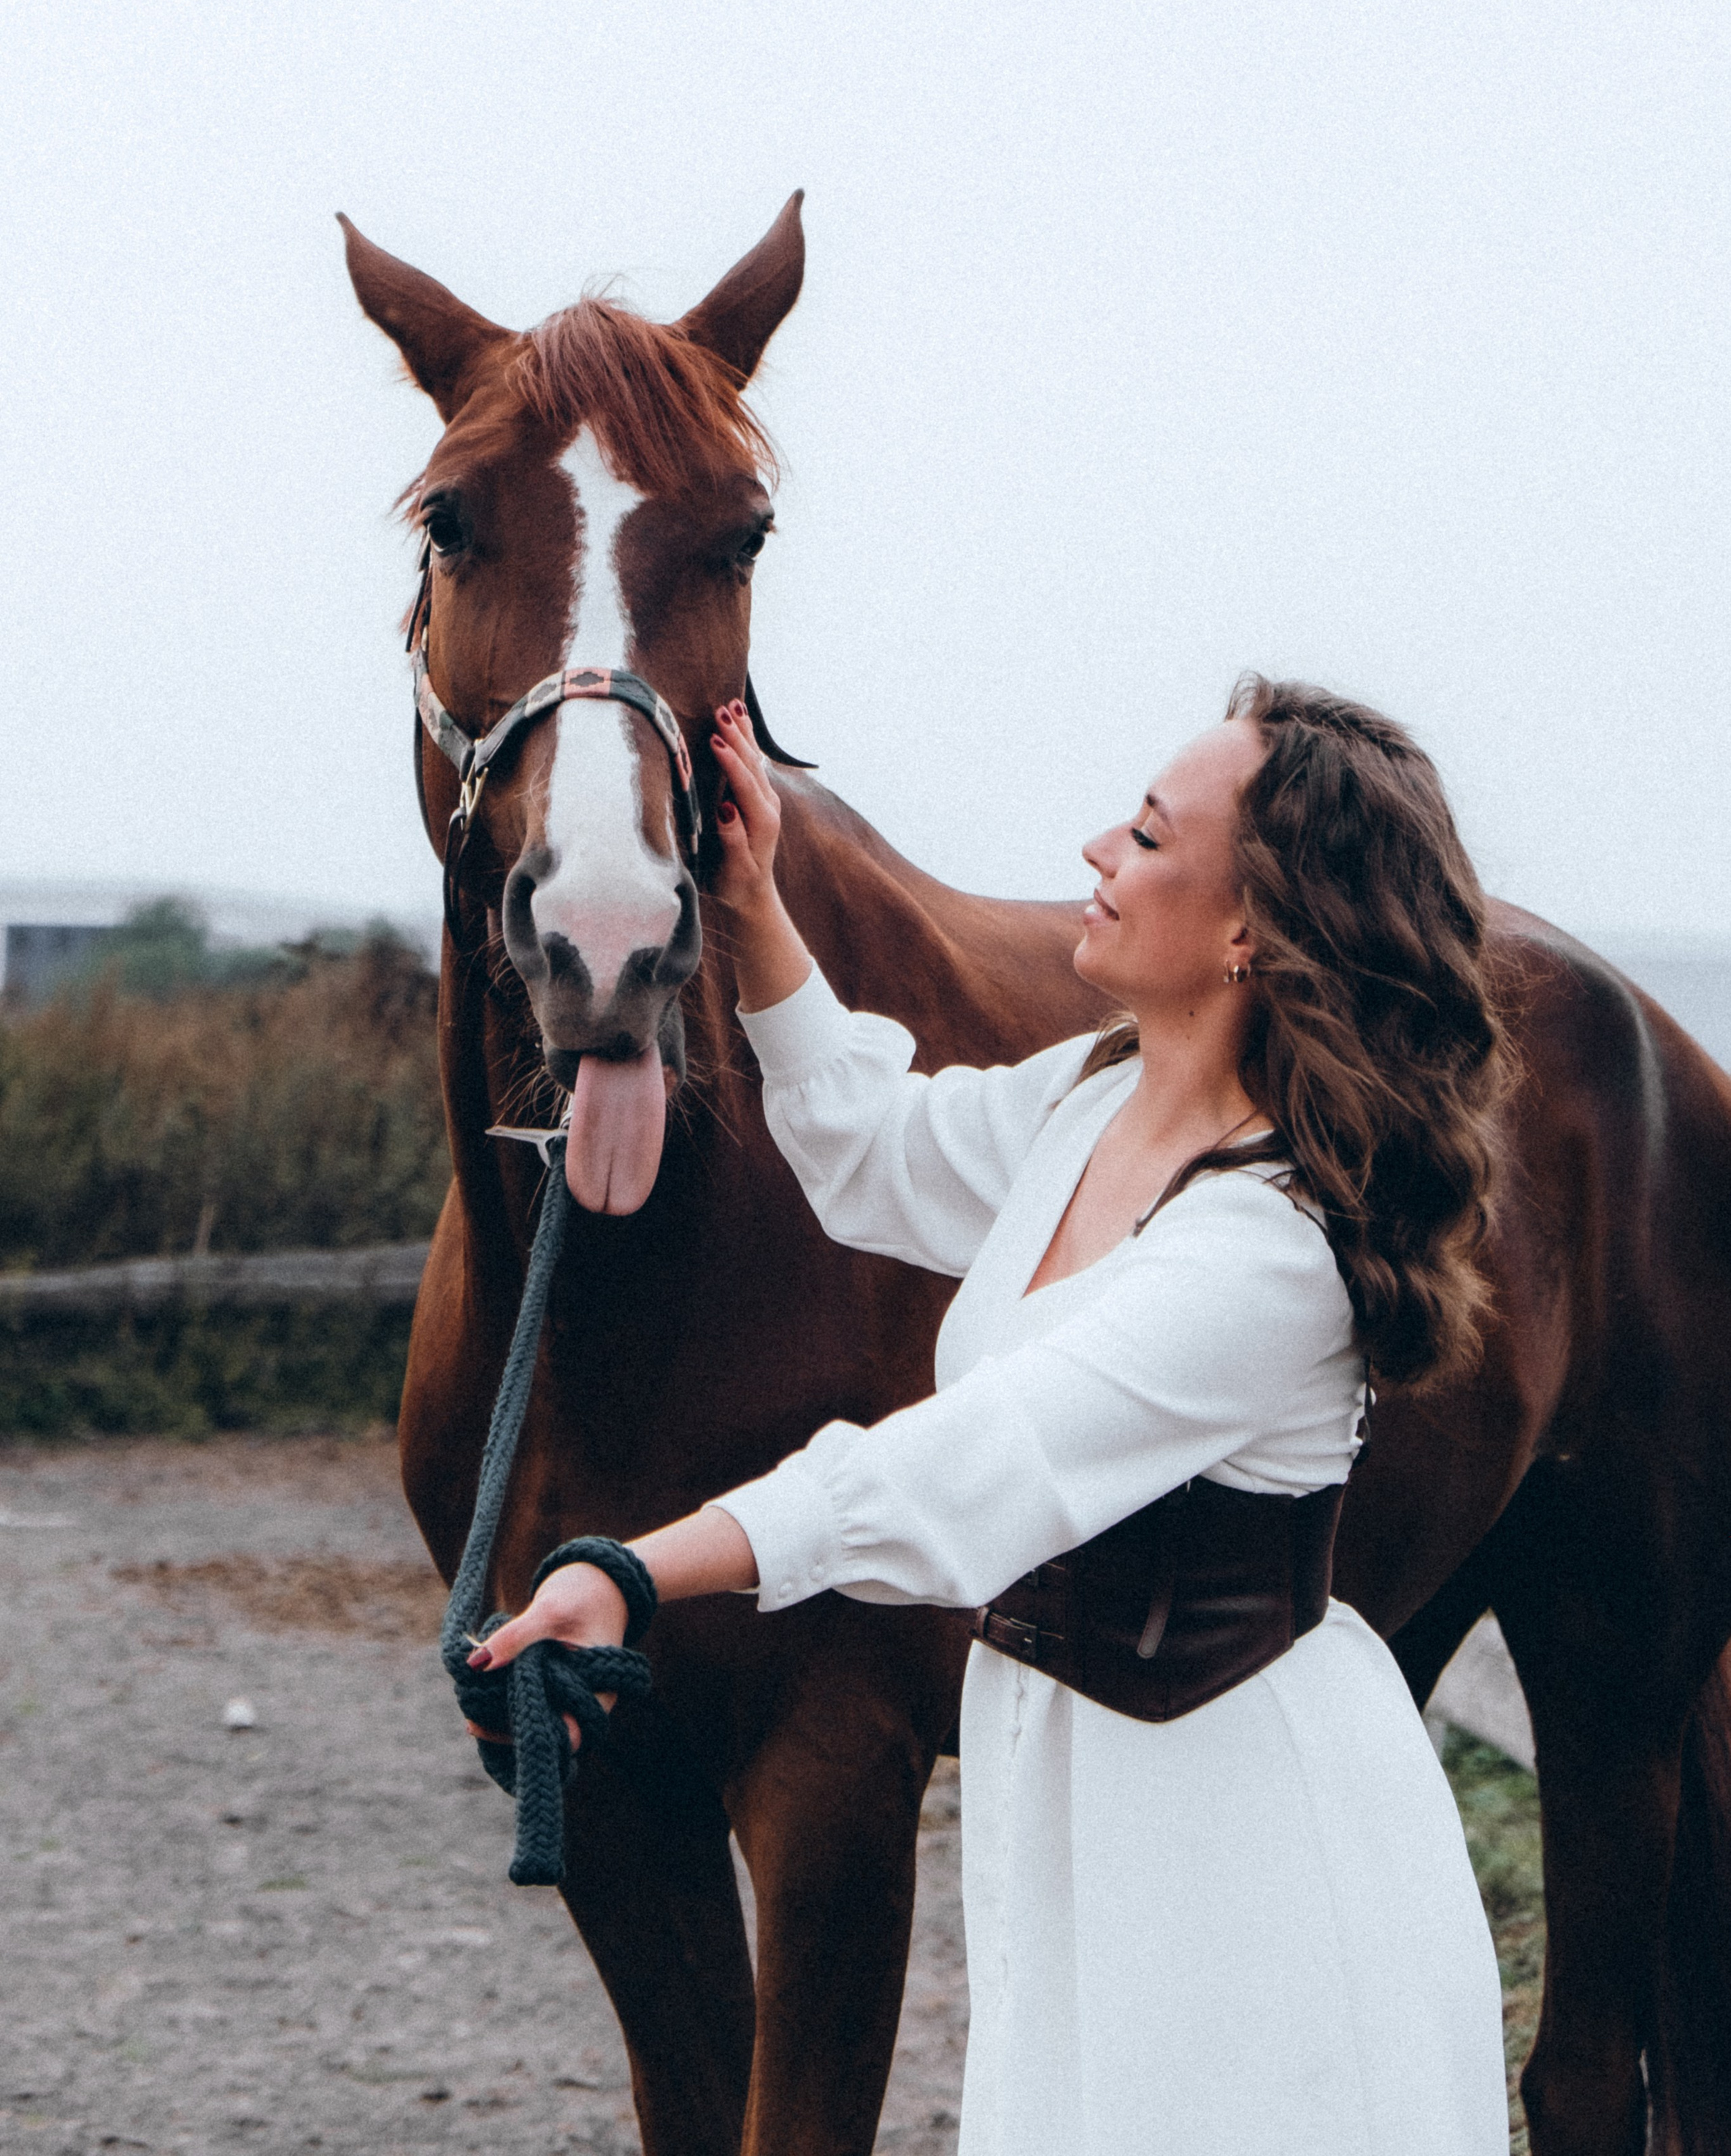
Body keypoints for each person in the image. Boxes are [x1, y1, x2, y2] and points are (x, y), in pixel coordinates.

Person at [470, 675, 1512, 2153]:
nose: (1094, 848)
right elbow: (872, 1149)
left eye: (1147, 836)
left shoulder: (1271, 1248)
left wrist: (637, 1568)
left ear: (1243, 932)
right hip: (1069, 1772)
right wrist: (758, 906)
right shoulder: (1094, 1102)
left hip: (1229, 1811)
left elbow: (963, 1474)